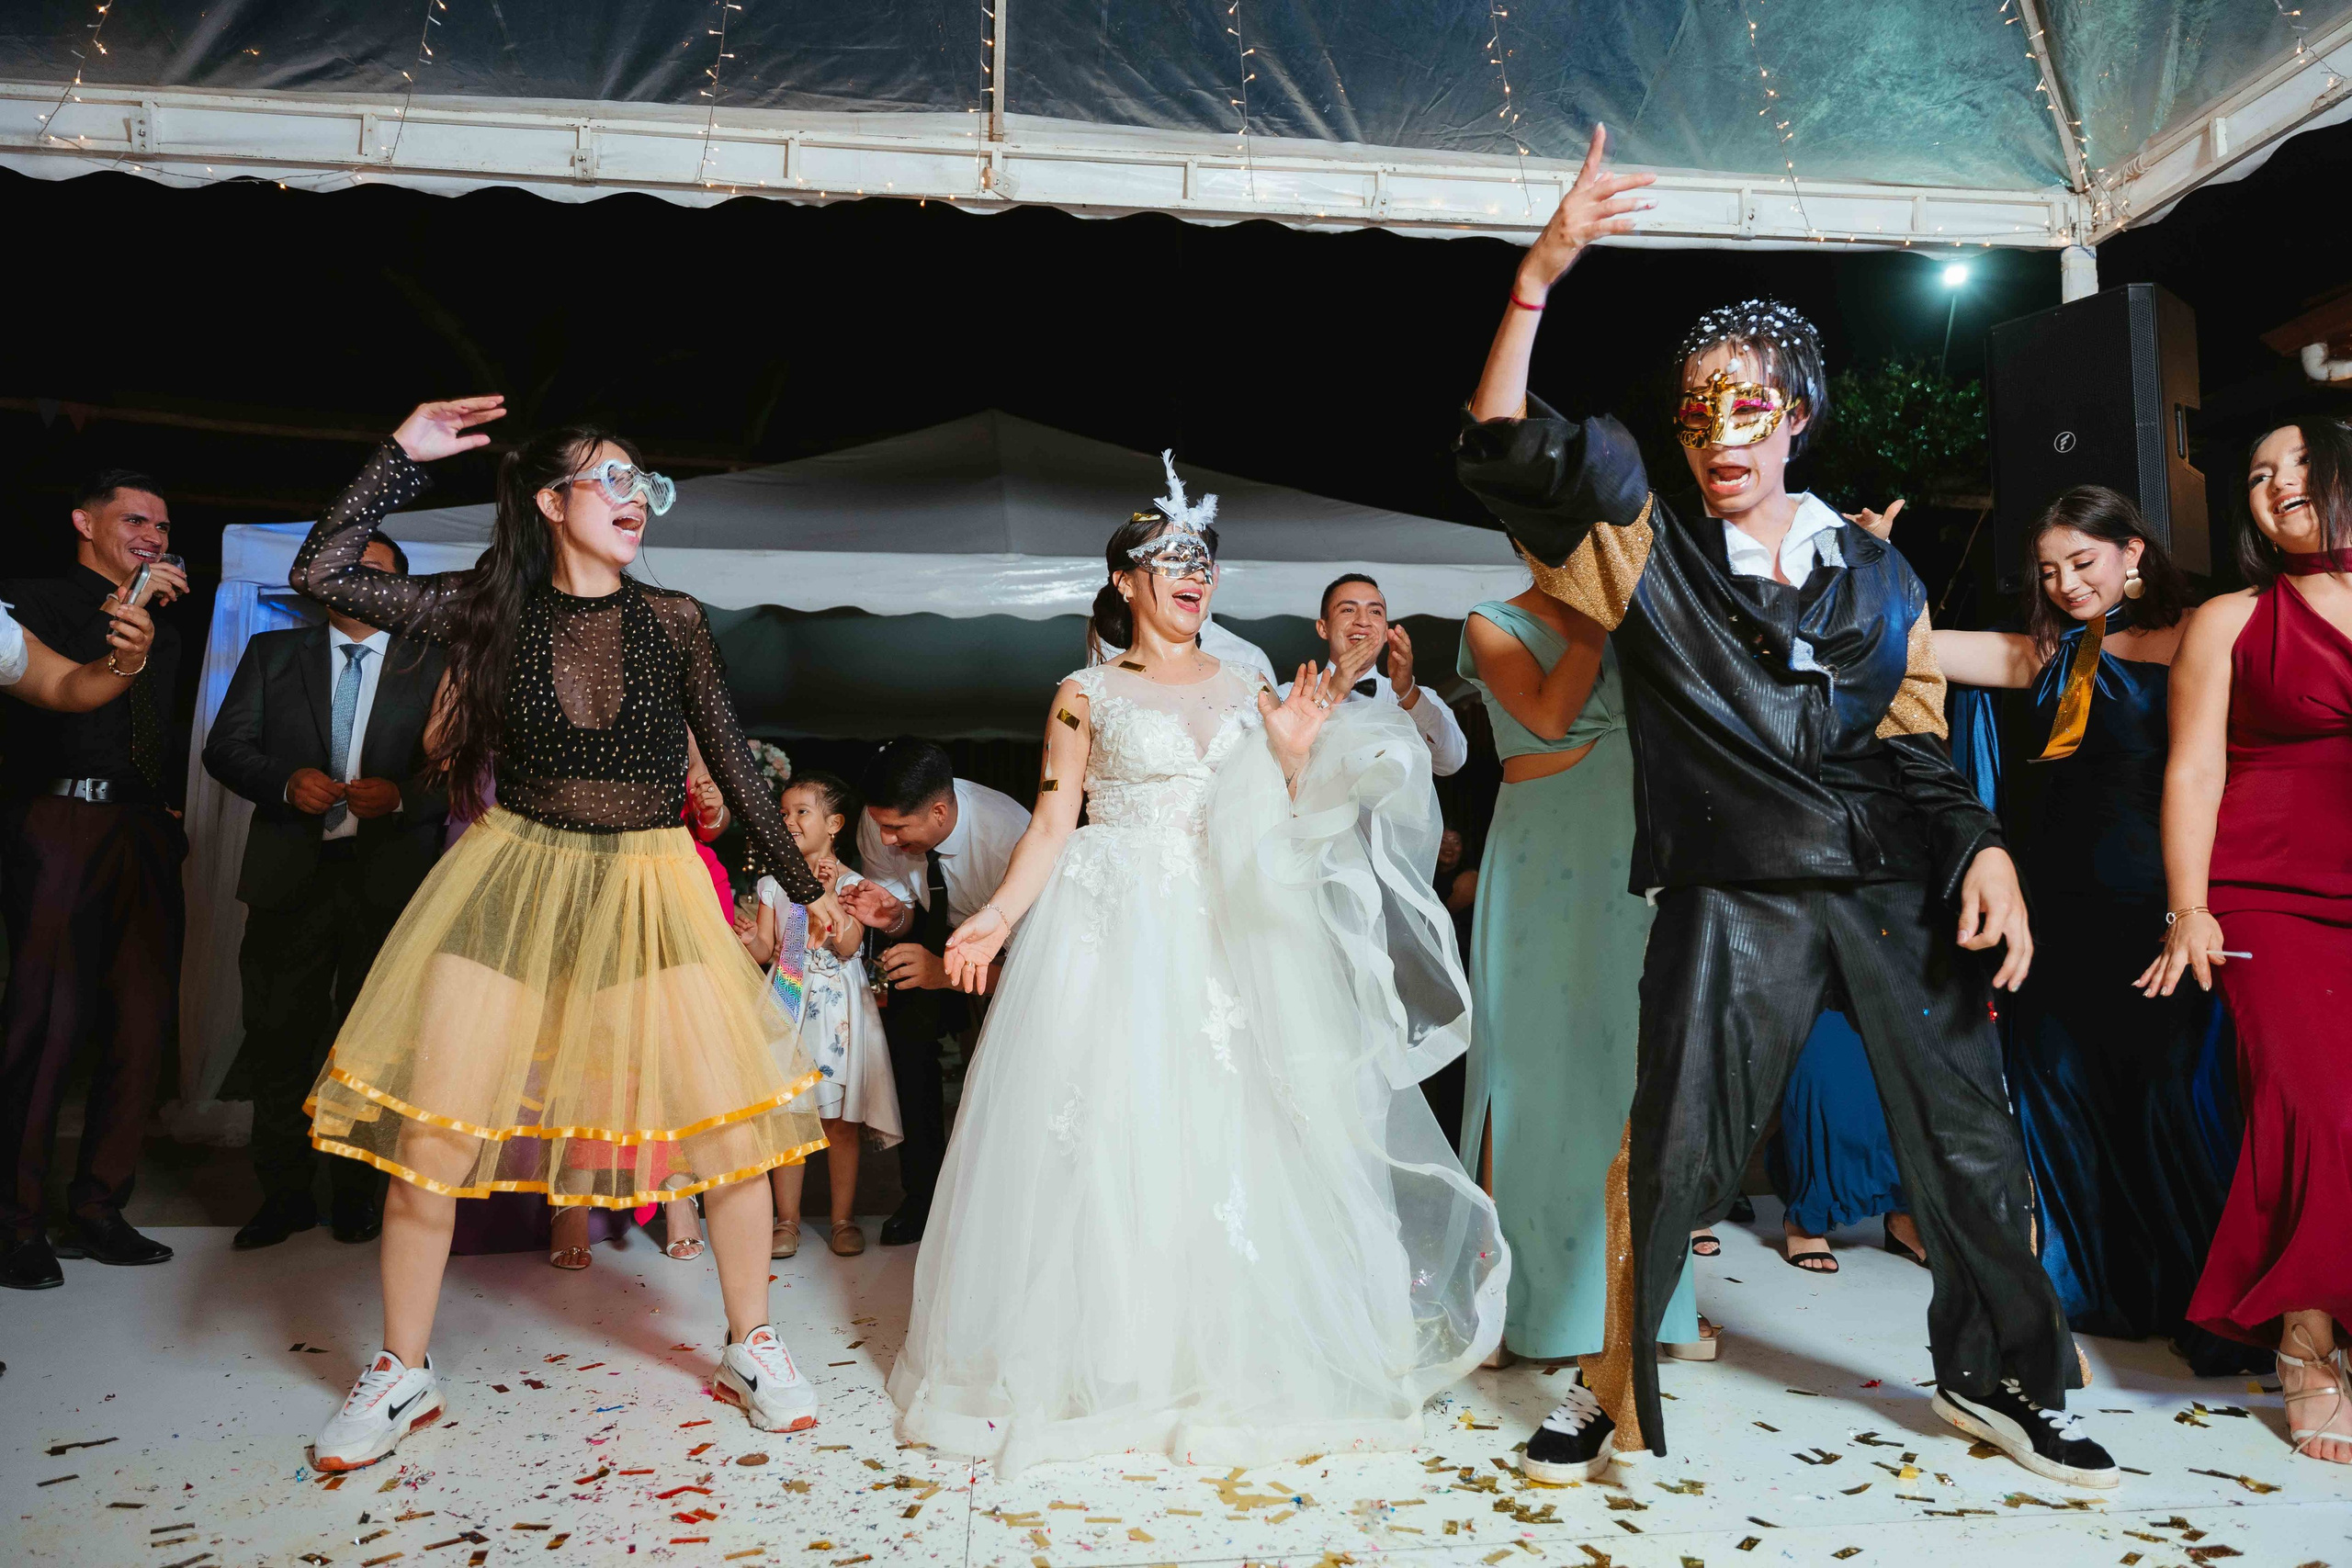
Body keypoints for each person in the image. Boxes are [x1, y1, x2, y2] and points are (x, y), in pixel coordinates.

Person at [1453, 126, 2115, 1490]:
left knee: (1970, 1142)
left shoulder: (1878, 575)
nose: (1717, 429)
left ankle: (2006, 1379)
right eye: (1696, 405)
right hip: (1733, 883)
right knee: (1676, 1140)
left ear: (1796, 412)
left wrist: (1983, 844)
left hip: (1887, 877)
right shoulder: (1647, 553)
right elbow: (1504, 445)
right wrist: (1540, 273)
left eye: (1745, 401)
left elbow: (1923, 745)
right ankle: (1607, 1379)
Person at [887, 459, 1505, 1477]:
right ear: (1126, 582)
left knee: (1235, 1130)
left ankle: (1232, 1347)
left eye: (1203, 559)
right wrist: (992, 919)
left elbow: (1282, 821)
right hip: (1109, 930)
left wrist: (1299, 753)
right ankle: (1115, 1353)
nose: (1193, 573)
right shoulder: (1083, 694)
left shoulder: (1252, 686)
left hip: (1223, 929)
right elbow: (1050, 825)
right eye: (1170, 560)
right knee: (1110, 1132)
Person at [289, 396, 850, 1471]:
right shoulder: (485, 609)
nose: (636, 499)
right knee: (433, 1140)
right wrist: (397, 460)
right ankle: (403, 1370)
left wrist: (802, 887)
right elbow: (320, 573)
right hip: (514, 880)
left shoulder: (675, 618)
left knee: (728, 1134)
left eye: (646, 482)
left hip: (649, 889)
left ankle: (753, 1343)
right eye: (612, 480)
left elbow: (732, 763)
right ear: (551, 502)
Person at [1848, 486, 2248, 1371]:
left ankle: (2209, 1302)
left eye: (2085, 562)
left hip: (2158, 902)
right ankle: (2101, 1287)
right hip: (2055, 910)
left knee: (2173, 1096)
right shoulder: (2042, 656)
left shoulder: (2200, 638)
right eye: (2050, 570)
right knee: (2065, 1094)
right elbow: (1910, 649)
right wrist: (1871, 561)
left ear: (2133, 554)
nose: (2067, 583)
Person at [1454, 569, 1702, 1461]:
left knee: (1621, 1073)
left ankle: (1641, 1310)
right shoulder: (1490, 622)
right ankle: (1505, 1308)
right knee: (1523, 1076)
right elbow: (1552, 716)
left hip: (1628, 852)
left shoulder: (1647, 611)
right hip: (1540, 852)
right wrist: (1604, 623)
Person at [2142, 419, 2352, 1463]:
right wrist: (2191, 908)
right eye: (2258, 474)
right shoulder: (2230, 618)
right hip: (2268, 892)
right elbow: (2191, 770)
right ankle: (2303, 1340)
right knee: (2305, 1108)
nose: (2277, 486)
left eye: (2300, 465)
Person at [202, 531, 447, 1253]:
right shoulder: (274, 654)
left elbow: (458, 773)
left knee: (372, 1048)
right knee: (279, 1036)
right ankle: (282, 1195)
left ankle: (356, 1196)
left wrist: (401, 796)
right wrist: (283, 781)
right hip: (289, 878)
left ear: (401, 588)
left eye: (377, 572)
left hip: (390, 884)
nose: (360, 581)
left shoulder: (433, 666)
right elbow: (226, 746)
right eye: (349, 568)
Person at [0, 471, 193, 1292]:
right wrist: (124, 627)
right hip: (59, 824)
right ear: (83, 520)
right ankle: (14, 1224)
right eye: (135, 518)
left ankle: (101, 1208)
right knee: (44, 1025)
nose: (153, 532)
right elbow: (60, 690)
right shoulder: (32, 601)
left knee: (143, 1023)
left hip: (146, 829)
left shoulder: (170, 630)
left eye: (162, 523)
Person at [839, 739, 1029, 1247]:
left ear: (940, 811)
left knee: (1006, 1066)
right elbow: (900, 899)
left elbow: (1034, 970)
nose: (884, 838)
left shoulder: (1009, 837)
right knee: (906, 1041)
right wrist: (895, 917)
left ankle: (1000, 1201)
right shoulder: (885, 824)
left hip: (1011, 944)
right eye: (879, 826)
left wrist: (946, 973)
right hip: (930, 924)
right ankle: (922, 1196)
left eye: (897, 829)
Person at [741, 770, 902, 1260]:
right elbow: (770, 950)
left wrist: (828, 901)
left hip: (836, 1011)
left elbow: (851, 944)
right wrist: (750, 942)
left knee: (839, 1123)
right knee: (790, 1116)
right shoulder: (772, 884)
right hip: (787, 1005)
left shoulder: (854, 884)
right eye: (784, 813)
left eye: (801, 812)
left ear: (833, 824)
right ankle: (785, 1219)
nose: (789, 821)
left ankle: (842, 1219)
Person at [1281, 575, 1469, 775]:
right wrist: (1331, 692)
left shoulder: (1417, 697)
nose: (1363, 621)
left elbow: (1450, 763)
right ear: (1323, 628)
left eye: (1375, 612)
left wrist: (1407, 691)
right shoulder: (1288, 695)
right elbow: (1271, 762)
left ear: (1386, 630)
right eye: (1348, 610)